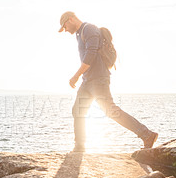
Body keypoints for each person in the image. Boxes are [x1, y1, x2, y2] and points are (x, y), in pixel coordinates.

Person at [58, 11, 158, 152]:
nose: (65, 30)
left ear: (71, 19)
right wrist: (82, 76)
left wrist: (75, 76)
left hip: (98, 79)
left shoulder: (89, 29)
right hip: (87, 81)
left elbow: (90, 56)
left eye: (65, 26)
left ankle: (147, 135)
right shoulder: (79, 34)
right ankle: (79, 147)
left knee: (110, 110)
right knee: (78, 111)